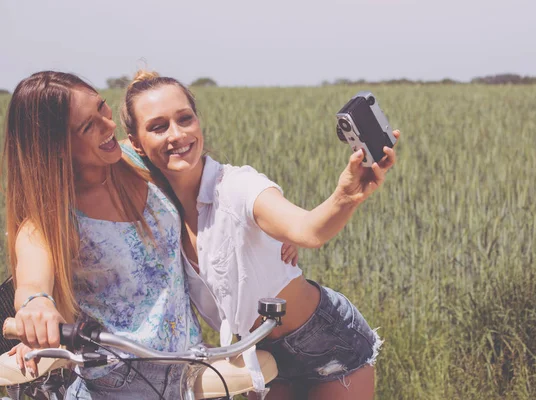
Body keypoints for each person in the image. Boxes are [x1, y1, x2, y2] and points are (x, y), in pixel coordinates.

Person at [121, 70, 399, 399]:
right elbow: (99, 153)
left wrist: (345, 197)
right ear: (136, 141)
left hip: (325, 343)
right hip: (259, 356)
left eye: (185, 119)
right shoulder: (159, 213)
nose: (177, 134)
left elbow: (308, 230)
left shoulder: (237, 186)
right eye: (158, 126)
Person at [3, 71, 203, 399]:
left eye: (102, 108)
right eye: (88, 126)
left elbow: (214, 185)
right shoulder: (49, 223)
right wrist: (35, 307)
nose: (109, 126)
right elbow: (32, 283)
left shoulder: (137, 159)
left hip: (192, 368)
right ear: (56, 145)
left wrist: (271, 229)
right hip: (118, 384)